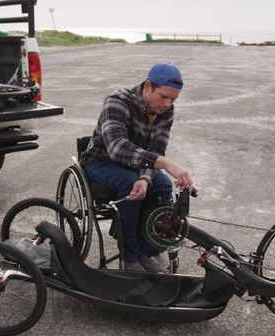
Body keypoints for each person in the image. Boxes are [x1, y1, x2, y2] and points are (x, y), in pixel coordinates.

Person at [79, 63, 193, 273]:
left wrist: (147, 178)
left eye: (174, 99)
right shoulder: (117, 101)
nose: (168, 104)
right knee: (130, 185)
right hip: (101, 161)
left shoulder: (166, 111)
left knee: (163, 187)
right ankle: (130, 258)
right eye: (164, 97)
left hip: (137, 164)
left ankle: (147, 252)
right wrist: (166, 164)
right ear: (148, 86)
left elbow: (156, 148)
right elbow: (117, 148)